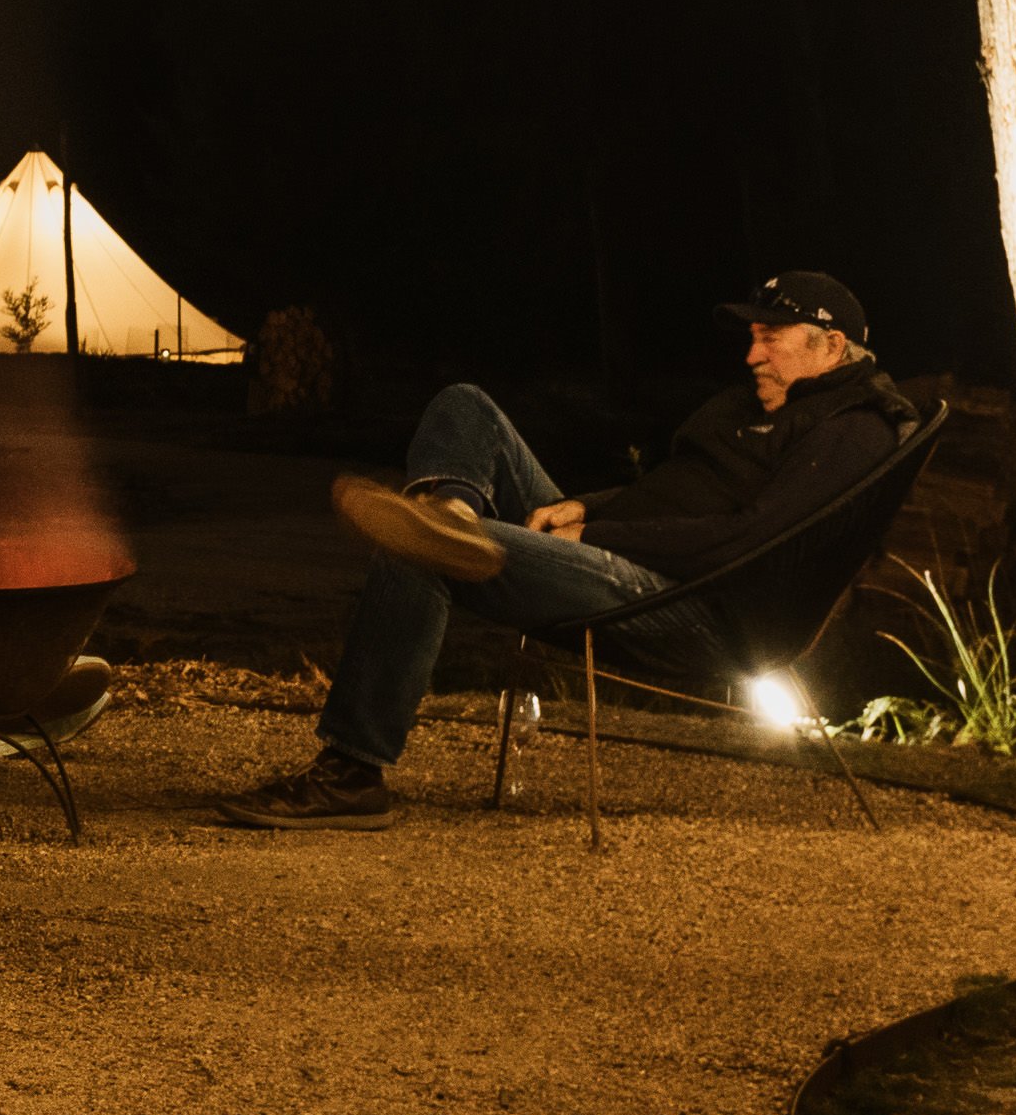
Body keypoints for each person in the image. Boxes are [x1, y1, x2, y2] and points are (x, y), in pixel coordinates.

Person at [222, 271, 919, 830]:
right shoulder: (758, 406)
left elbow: (751, 542)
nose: (750, 355)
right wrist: (590, 506)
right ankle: (453, 513)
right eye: (752, 338)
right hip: (626, 560)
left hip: (693, 608)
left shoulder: (852, 430)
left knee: (417, 551)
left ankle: (352, 774)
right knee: (465, 406)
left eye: (771, 338)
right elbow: (672, 493)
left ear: (831, 346)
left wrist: (599, 534)